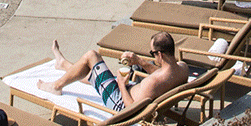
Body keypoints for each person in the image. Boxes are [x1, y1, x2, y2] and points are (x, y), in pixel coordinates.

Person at [37, 32, 190, 114]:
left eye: (152, 53)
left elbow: (131, 109)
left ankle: (56, 86)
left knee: (92, 56)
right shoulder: (182, 69)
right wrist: (140, 62)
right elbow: (163, 72)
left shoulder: (154, 82)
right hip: (129, 93)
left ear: (160, 55)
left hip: (119, 103)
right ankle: (63, 64)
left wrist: (122, 85)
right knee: (95, 75)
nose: (152, 56)